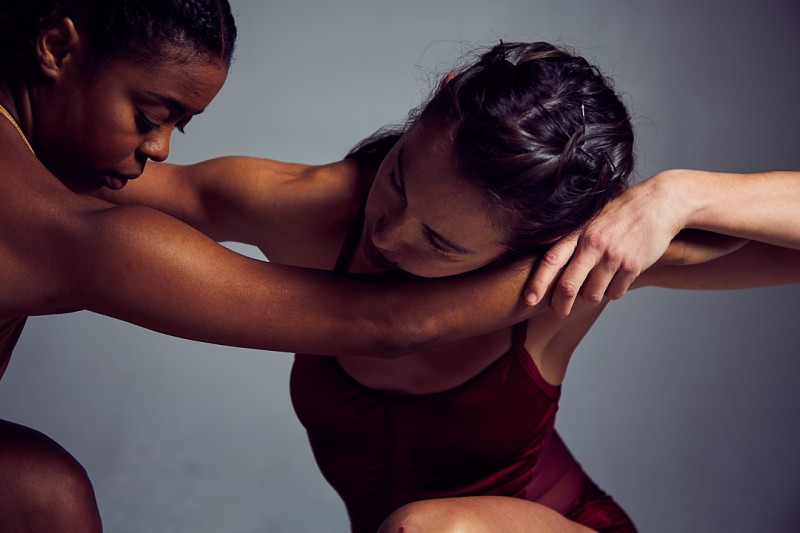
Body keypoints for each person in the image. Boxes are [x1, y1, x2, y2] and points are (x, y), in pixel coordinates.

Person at [106, 39, 800, 531]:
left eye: (439, 243)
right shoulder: (313, 209)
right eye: (399, 180)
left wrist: (682, 194)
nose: (390, 234)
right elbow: (105, 177)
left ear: (528, 247)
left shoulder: (572, 275)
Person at [0, 3, 573, 532]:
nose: (161, 150)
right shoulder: (52, 225)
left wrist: (660, 199)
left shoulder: (51, 169)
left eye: (180, 124)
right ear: (55, 47)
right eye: (149, 115)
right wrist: (584, 252)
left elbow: (187, 193)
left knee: (40, 489)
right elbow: (391, 324)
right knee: (42, 491)